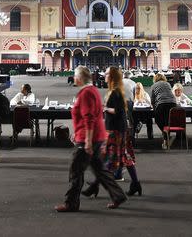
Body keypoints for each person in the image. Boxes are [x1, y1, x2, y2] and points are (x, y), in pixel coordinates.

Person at [55, 66, 127, 212]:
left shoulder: (86, 93)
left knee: (75, 171)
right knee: (100, 170)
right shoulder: (92, 89)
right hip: (96, 136)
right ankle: (118, 195)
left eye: (75, 75)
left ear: (80, 78)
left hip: (88, 138)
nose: (74, 78)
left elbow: (88, 118)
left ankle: (71, 203)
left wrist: (87, 140)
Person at [83, 67, 141, 198]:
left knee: (108, 159)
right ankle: (135, 183)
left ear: (113, 77)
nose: (105, 75)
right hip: (116, 128)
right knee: (122, 157)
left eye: (108, 73)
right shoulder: (113, 91)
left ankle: (96, 186)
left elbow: (117, 111)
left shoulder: (116, 92)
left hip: (116, 130)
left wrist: (104, 108)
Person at [151, 73, 177, 149]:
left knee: (157, 119)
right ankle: (166, 135)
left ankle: (165, 134)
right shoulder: (167, 84)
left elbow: (153, 99)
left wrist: (153, 107)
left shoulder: (154, 85)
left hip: (161, 103)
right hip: (172, 103)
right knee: (168, 120)